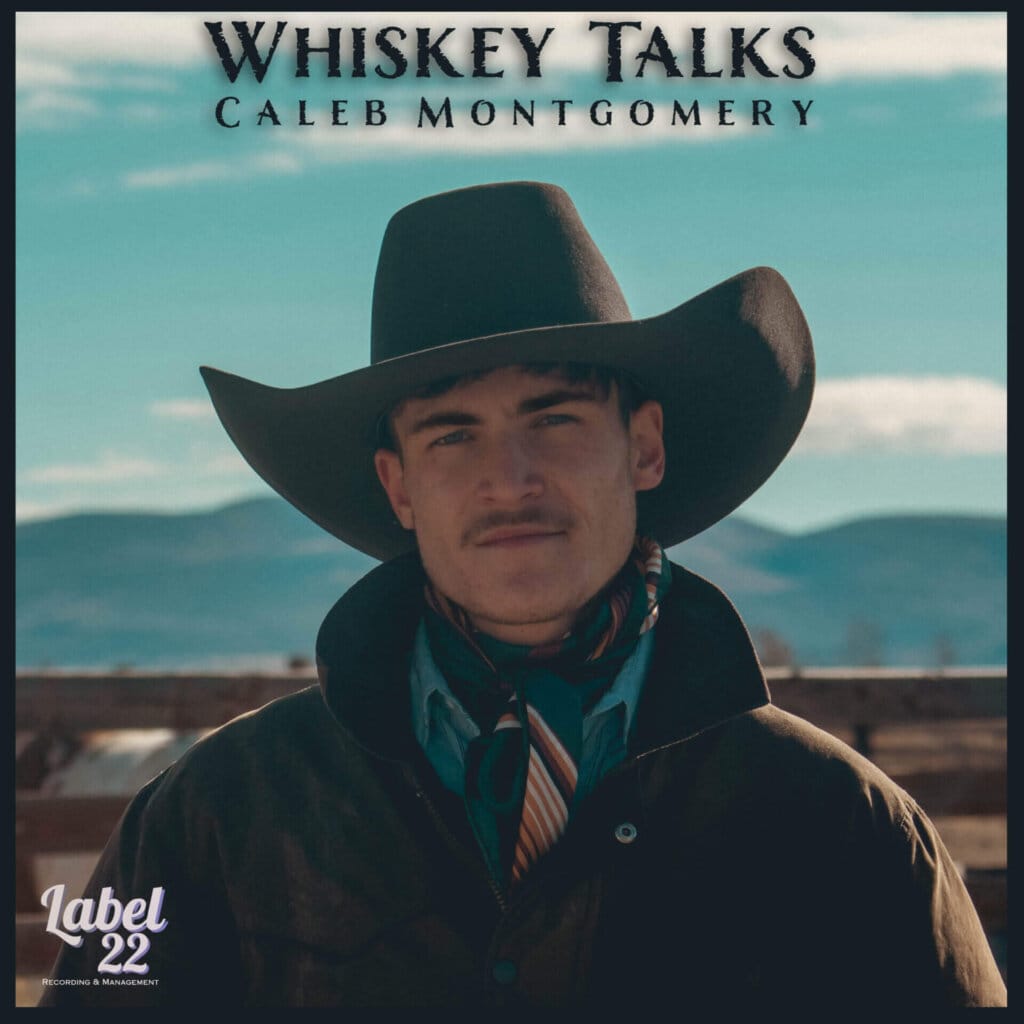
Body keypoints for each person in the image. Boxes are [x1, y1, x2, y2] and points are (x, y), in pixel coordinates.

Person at [41, 181, 1006, 1008]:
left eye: (554, 418)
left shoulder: (835, 821)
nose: (509, 478)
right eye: (452, 435)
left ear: (645, 447)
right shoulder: (217, 815)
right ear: (399, 486)